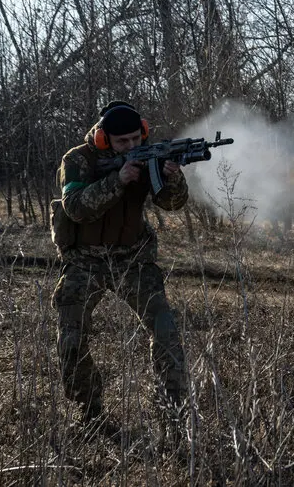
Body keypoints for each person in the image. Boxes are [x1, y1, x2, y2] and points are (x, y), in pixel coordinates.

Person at [49, 101, 189, 429]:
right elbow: (76, 209)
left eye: (134, 140)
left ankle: (174, 418)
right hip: (85, 260)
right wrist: (119, 179)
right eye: (121, 142)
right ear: (102, 139)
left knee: (166, 332)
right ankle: (91, 414)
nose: (130, 146)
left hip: (133, 259)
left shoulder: (151, 153)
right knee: (71, 339)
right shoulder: (78, 160)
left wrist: (173, 178)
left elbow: (173, 204)